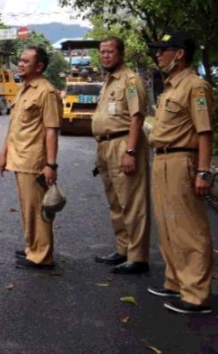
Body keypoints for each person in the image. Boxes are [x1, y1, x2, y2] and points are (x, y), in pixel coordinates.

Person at [146, 31, 215, 315]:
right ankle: (175, 282)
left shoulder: (195, 87)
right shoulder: (171, 88)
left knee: (189, 229)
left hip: (181, 161)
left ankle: (196, 295)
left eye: (163, 50)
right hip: (161, 160)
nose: (158, 55)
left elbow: (205, 132)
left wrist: (203, 172)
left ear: (179, 54)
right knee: (167, 225)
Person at [91, 36, 151, 274]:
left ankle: (138, 257)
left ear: (121, 54)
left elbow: (137, 117)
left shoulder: (130, 81)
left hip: (123, 144)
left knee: (132, 202)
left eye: (110, 52)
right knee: (116, 202)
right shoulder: (108, 81)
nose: (105, 56)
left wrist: (131, 151)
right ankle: (123, 249)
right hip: (105, 146)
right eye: (102, 52)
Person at [0, 46, 62, 270]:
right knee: (28, 208)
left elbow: (51, 130)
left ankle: (42, 256)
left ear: (39, 66)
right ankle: (32, 247)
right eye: (20, 60)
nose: (21, 64)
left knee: (38, 210)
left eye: (26, 61)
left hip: (34, 161)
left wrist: (50, 165)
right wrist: (4, 153)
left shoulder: (46, 92)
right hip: (20, 158)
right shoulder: (24, 88)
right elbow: (15, 125)